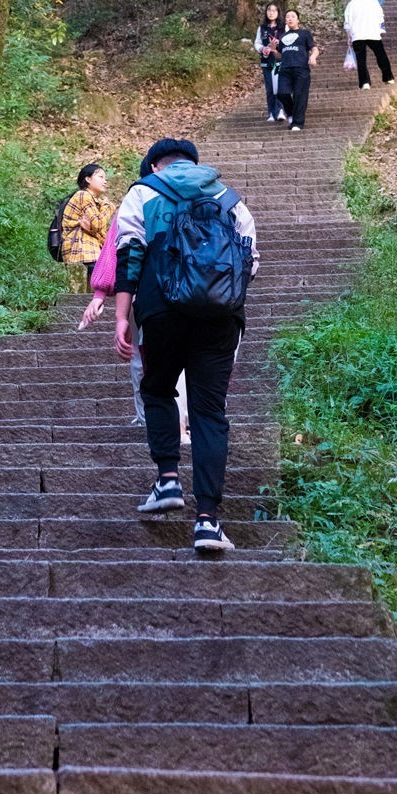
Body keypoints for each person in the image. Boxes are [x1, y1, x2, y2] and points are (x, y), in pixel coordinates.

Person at [115, 137, 258, 552]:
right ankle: (209, 522)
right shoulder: (228, 197)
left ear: (155, 165)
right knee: (209, 412)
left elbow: (130, 257)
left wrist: (123, 317)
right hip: (221, 317)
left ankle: (167, 481)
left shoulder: (143, 193)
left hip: (161, 313)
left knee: (158, 388)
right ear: (194, 163)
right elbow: (250, 259)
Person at [81, 169, 188, 438]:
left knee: (142, 358)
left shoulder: (134, 203)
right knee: (183, 359)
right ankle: (182, 422)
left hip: (143, 298)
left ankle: (148, 419)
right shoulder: (193, 200)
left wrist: (100, 294)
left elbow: (113, 255)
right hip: (188, 295)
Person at [60, 162, 115, 290]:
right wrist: (109, 207)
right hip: (81, 249)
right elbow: (98, 224)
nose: (105, 181)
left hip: (89, 251)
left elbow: (101, 234)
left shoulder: (93, 201)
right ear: (88, 179)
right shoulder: (83, 195)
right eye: (101, 177)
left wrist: (92, 228)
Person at [343, 0, 395, 91]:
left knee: (361, 60)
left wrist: (349, 37)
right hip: (373, 33)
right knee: (381, 56)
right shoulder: (374, 2)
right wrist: (381, 30)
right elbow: (380, 16)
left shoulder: (351, 4)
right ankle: (388, 77)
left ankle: (365, 82)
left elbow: (348, 22)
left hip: (357, 35)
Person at [275, 9, 318, 131]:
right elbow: (280, 54)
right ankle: (293, 113)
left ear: (298, 20)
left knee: (300, 95)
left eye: (293, 16)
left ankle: (297, 123)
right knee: (282, 93)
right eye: (287, 16)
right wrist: (273, 50)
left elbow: (314, 48)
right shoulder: (282, 37)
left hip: (301, 69)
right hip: (285, 69)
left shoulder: (305, 33)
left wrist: (313, 57)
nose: (290, 18)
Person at [252, 2, 284, 121]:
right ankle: (271, 112)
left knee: (279, 87)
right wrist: (262, 48)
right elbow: (257, 42)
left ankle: (280, 110)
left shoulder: (283, 27)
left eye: (274, 10)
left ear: (278, 13)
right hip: (266, 61)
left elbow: (287, 41)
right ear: (266, 12)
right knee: (270, 88)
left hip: (279, 61)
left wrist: (278, 46)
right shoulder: (262, 28)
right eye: (269, 10)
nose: (271, 13)